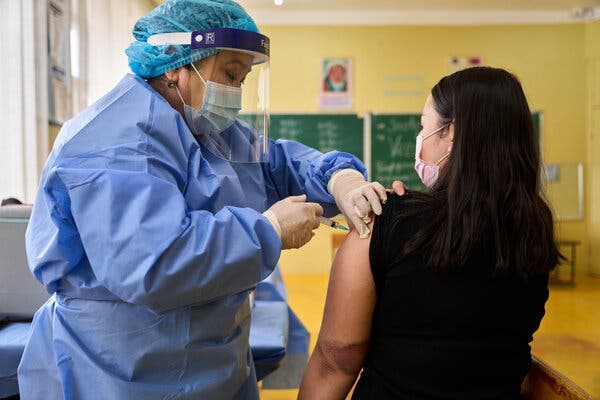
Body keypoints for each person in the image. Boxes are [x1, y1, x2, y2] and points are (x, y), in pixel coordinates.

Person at [17, 1, 394, 398]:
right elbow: (155, 264)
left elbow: (278, 163)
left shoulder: (206, 128)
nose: (236, 93)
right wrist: (269, 229)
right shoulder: (114, 144)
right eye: (230, 74)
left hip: (215, 365)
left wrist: (340, 178)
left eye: (243, 79)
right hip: (121, 371)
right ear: (175, 63)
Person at [298, 66, 561, 400]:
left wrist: (396, 215)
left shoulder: (384, 222)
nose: (419, 140)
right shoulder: (533, 231)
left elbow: (334, 361)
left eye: (424, 126)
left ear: (451, 134)